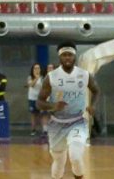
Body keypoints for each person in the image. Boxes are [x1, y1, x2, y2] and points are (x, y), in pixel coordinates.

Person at [38, 41, 99, 179]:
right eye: (64, 55)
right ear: (59, 57)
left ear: (74, 56)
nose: (67, 57)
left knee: (75, 157)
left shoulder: (84, 75)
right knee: (59, 162)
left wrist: (93, 105)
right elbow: (39, 102)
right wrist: (53, 106)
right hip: (56, 124)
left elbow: (96, 90)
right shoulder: (51, 77)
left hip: (77, 121)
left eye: (70, 54)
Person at [27, 63, 44, 136]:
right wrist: (36, 78)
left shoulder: (42, 78)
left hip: (40, 99)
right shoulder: (30, 77)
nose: (37, 70)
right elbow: (31, 85)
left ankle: (44, 130)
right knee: (33, 115)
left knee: (41, 115)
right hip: (32, 98)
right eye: (35, 68)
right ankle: (33, 130)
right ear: (33, 70)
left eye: (38, 68)